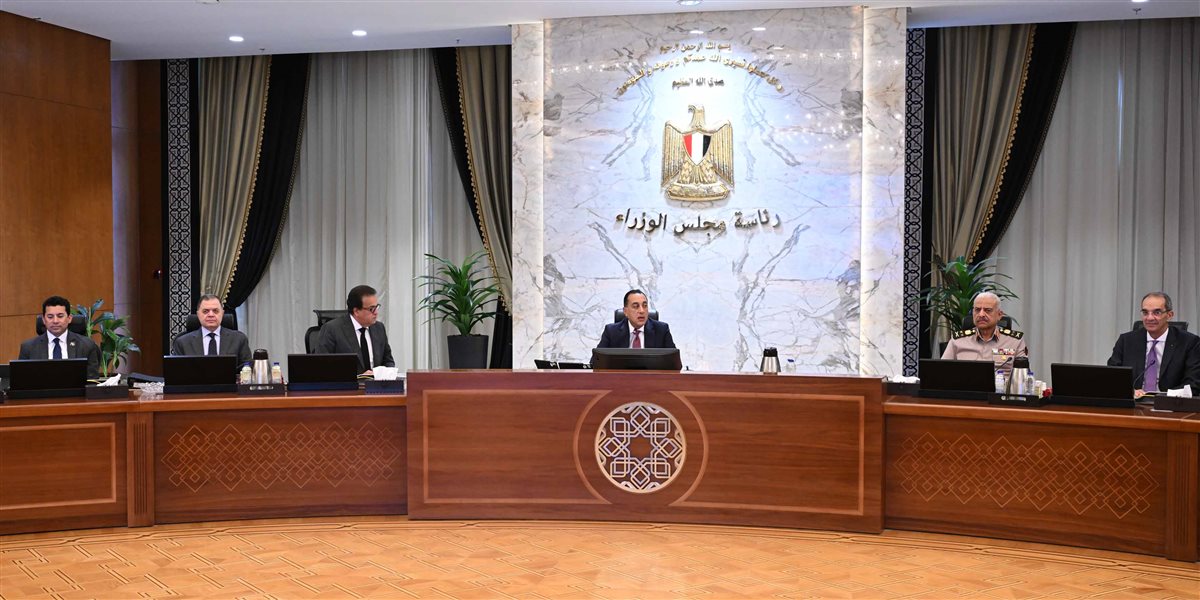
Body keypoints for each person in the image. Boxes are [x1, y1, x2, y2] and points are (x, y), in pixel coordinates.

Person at [1107, 291, 1200, 397]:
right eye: (1145, 312)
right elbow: (1112, 376)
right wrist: (1130, 391)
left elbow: (1194, 384)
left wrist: (1164, 396)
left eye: (1157, 312)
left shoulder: (1189, 342)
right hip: (1134, 401)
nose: (1149, 318)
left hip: (1170, 402)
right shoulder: (1126, 341)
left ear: (1169, 315)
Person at [316, 284, 395, 374]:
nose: (376, 313)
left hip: (376, 382)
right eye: (371, 309)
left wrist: (387, 373)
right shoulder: (332, 330)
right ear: (356, 311)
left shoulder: (379, 328)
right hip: (348, 382)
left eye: (377, 307)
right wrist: (359, 377)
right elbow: (322, 367)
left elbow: (388, 361)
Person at [18, 295, 101, 379]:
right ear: (43, 319)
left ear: (69, 318)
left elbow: (92, 380)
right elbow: (22, 380)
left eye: (60, 316)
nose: (55, 321)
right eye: (50, 317)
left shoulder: (86, 345)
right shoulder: (28, 347)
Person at [941, 291, 1027, 368]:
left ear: (999, 315)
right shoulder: (958, 340)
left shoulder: (1015, 341)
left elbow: (1023, 375)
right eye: (977, 310)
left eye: (988, 310)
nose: (981, 314)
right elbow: (942, 371)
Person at [169, 294, 251, 365]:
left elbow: (247, 368)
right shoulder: (182, 343)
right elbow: (177, 372)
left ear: (222, 313)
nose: (211, 315)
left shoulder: (239, 339)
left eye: (215, 311)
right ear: (198, 314)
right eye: (205, 311)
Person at [597, 289, 676, 349]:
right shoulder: (611, 332)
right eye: (635, 306)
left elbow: (674, 362)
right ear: (625, 311)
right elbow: (596, 361)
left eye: (645, 306)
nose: (642, 311)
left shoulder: (661, 330)